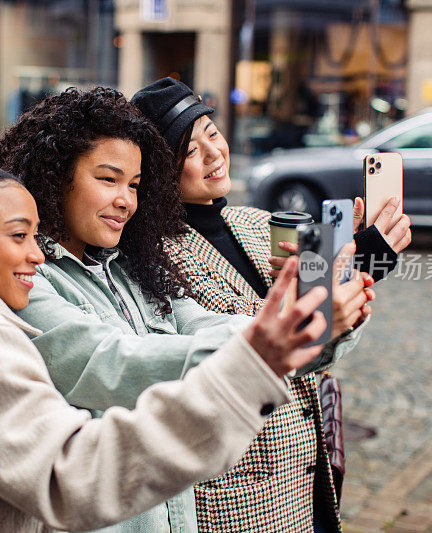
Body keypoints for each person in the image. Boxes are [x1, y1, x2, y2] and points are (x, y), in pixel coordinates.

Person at [0, 160, 332, 532]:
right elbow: (70, 472)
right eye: (17, 236)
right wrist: (249, 368)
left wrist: (291, 328)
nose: (36, 255)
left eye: (35, 235)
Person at [0, 87, 367, 532]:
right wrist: (271, 340)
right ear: (55, 176)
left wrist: (323, 314)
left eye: (133, 184)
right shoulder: (29, 278)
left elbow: (209, 323)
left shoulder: (132, 267)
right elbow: (110, 362)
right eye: (108, 180)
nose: (126, 199)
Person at [131, 77, 412, 532]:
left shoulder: (262, 222)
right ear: (159, 172)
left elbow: (326, 345)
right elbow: (247, 350)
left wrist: (358, 264)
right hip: (239, 492)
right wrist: (325, 300)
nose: (214, 154)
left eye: (212, 134)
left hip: (307, 470)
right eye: (188, 151)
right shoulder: (154, 255)